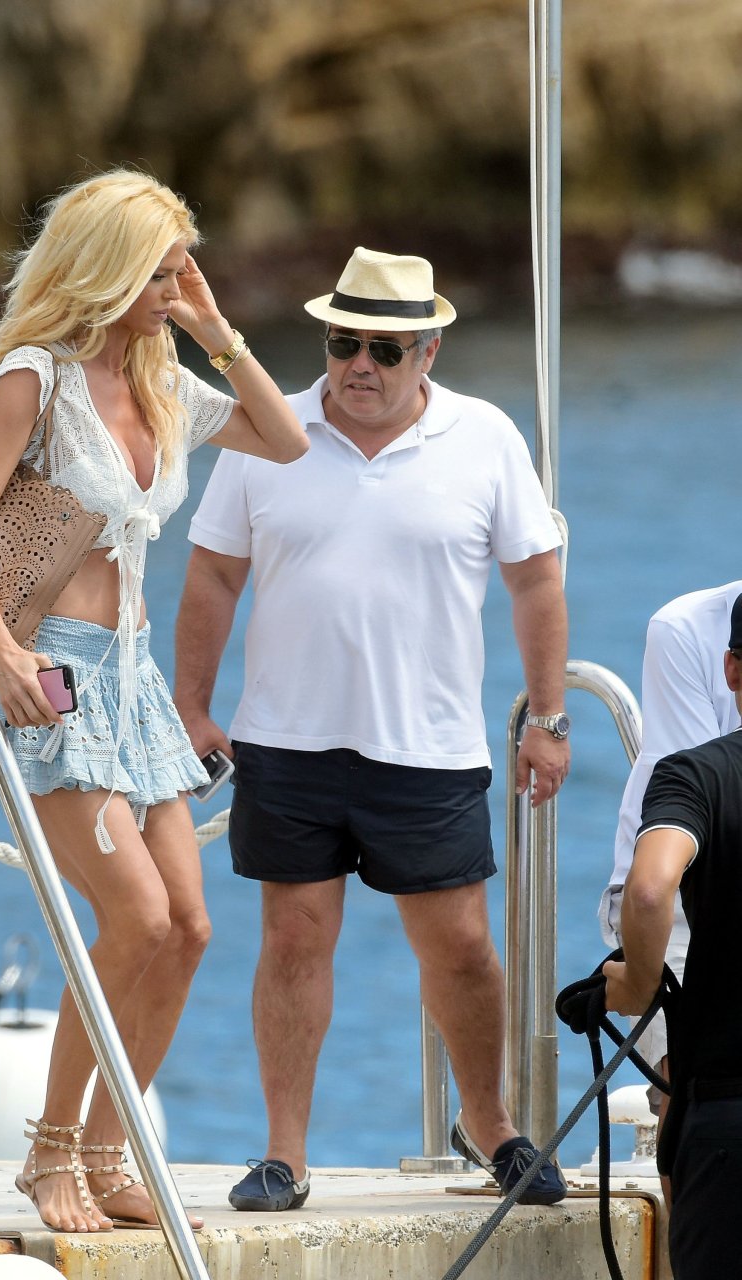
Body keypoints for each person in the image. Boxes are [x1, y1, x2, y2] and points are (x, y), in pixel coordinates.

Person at [0, 168, 309, 1233]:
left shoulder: (162, 382)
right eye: (157, 271)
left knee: (186, 927)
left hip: (134, 682)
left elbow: (288, 440)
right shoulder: (34, 378)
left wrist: (213, 328)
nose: (172, 287)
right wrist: (2, 651)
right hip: (52, 670)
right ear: (104, 268)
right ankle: (50, 1152)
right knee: (135, 916)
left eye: (182, 269)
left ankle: (107, 1152)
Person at [173, 247, 570, 1210]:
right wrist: (191, 704)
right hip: (287, 740)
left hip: (428, 745)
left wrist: (547, 716)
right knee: (292, 942)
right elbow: (214, 572)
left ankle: (490, 1126)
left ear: (427, 351)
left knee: (461, 949)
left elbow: (535, 580)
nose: (359, 364)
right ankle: (285, 1156)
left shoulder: (484, 437)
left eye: (384, 349)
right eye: (342, 342)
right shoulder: (265, 428)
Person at [604, 592, 742, 1280]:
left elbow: (651, 888)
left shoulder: (699, 774)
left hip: (725, 1112)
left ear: (731, 670)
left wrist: (635, 982)